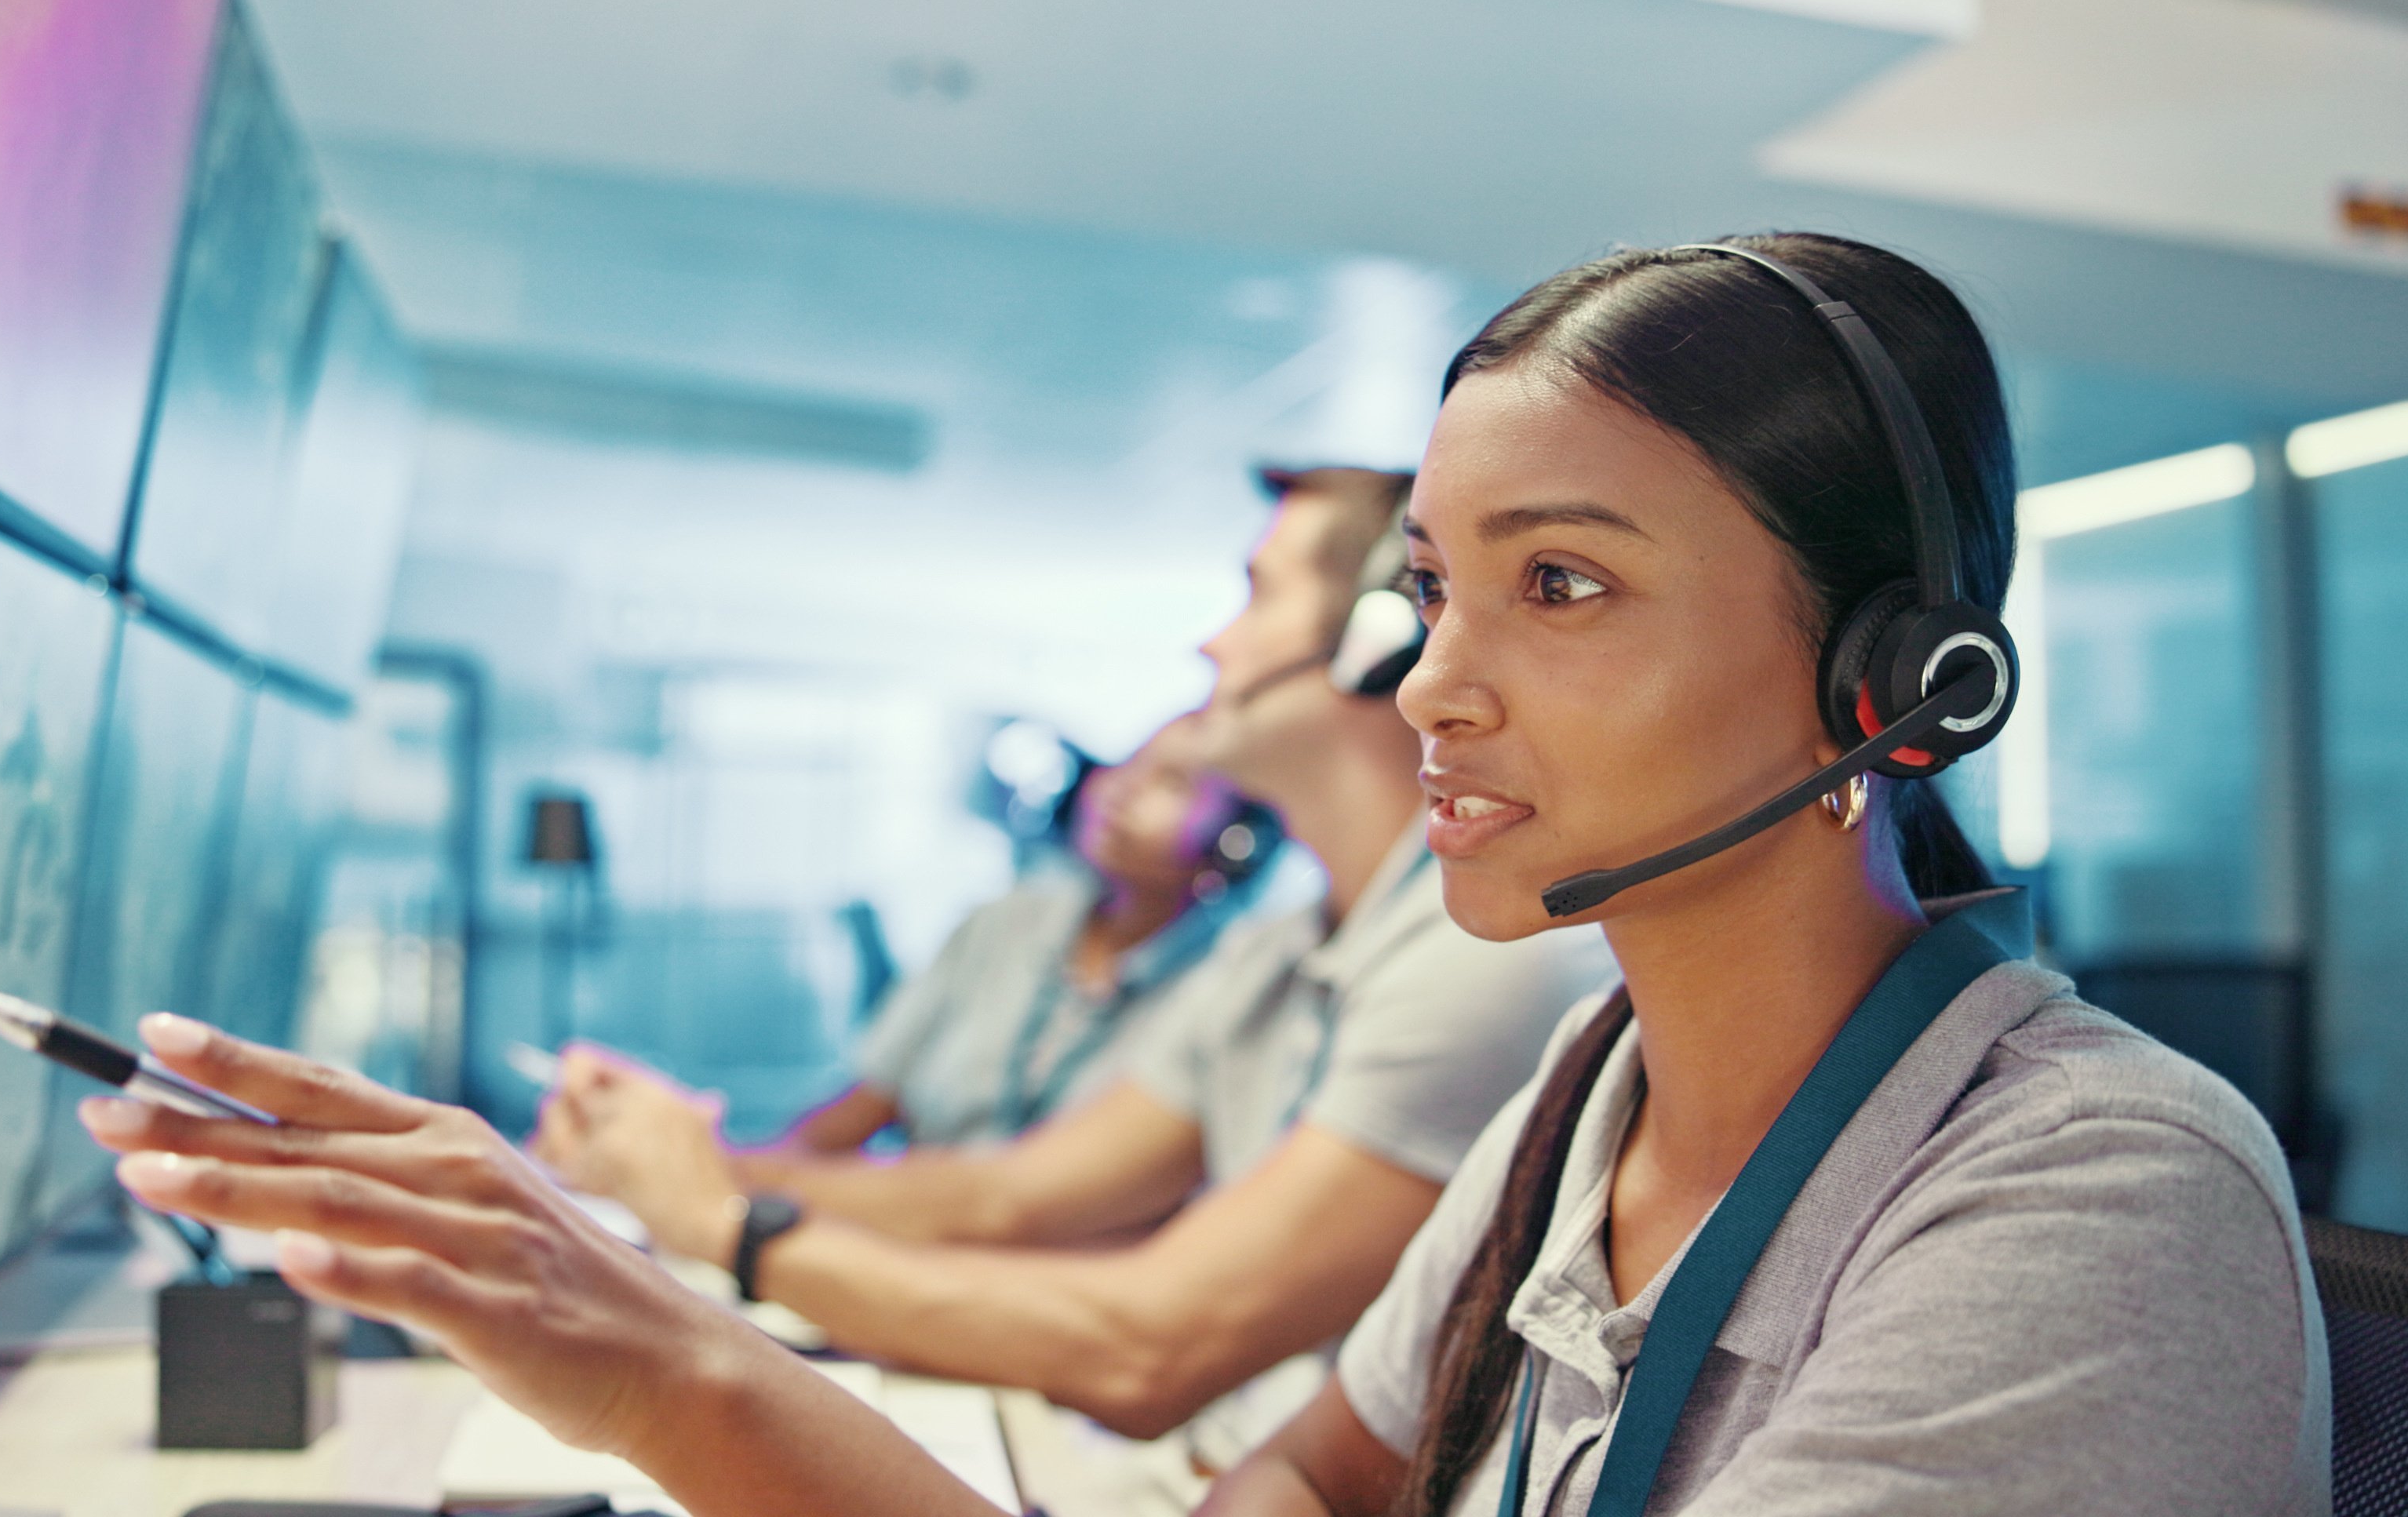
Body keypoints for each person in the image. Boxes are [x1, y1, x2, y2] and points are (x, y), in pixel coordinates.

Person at [77, 233, 2322, 1516]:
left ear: (1886, 679)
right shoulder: (1581, 1121)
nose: (1430, 687)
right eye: (1432, 592)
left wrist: (699, 1322)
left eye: (1559, 589)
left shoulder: (2091, 1197)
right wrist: (654, 1362)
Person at [528, 467, 1609, 1481]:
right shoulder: (1276, 954)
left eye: (1255, 596)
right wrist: (675, 1165)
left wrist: (725, 1225)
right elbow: (1003, 1195)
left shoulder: (1481, 963)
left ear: (1378, 639)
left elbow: (1153, 1345)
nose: (1211, 643)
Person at [774, 711, 1268, 1158]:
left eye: (1172, 783)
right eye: (1127, 764)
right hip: (917, 1220)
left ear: (1235, 844)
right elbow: (860, 1107)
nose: (1121, 790)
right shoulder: (1001, 924)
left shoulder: (1230, 983)